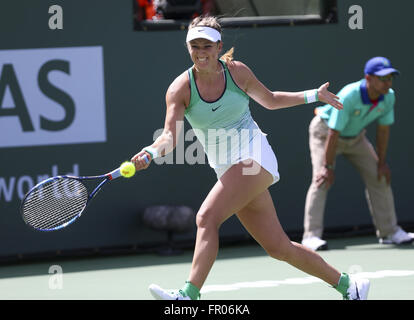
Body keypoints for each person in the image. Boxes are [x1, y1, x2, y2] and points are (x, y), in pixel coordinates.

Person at [131, 16, 370, 300]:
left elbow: (270, 100)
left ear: (219, 46)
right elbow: (169, 138)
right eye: (194, 46)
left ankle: (188, 295)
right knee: (279, 248)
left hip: (253, 157)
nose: (200, 51)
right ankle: (349, 285)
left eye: (206, 45)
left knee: (206, 218)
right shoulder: (179, 89)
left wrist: (312, 95)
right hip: (226, 168)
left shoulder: (237, 73)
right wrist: (151, 152)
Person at [302, 57, 414, 251]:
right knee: (321, 179)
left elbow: (383, 130)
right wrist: (327, 167)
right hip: (325, 133)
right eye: (383, 78)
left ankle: (389, 232)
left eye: (390, 78)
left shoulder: (389, 96)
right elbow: (333, 133)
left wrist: (382, 162)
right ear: (368, 78)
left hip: (356, 138)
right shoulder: (349, 95)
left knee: (380, 176)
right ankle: (311, 237)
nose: (388, 83)